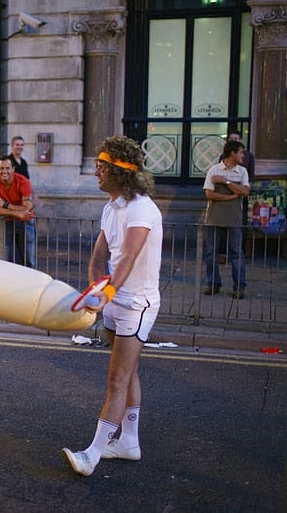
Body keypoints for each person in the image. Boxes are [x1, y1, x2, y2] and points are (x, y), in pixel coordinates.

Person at [62, 134, 163, 477]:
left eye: (101, 167)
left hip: (136, 304)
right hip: (115, 301)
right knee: (128, 372)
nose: (96, 173)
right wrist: (96, 289)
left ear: (121, 171)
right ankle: (129, 443)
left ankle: (93, 453)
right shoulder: (111, 208)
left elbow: (128, 259)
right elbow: (100, 258)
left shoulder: (142, 209)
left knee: (117, 380)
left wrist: (107, 293)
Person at [203, 139, 250, 299]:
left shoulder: (242, 172)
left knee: (237, 253)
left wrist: (226, 181)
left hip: (234, 219)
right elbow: (209, 194)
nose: (243, 155)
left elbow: (245, 191)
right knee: (211, 253)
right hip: (213, 219)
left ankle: (239, 287)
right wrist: (230, 197)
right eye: (241, 152)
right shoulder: (214, 170)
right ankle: (213, 284)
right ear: (232, 153)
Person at [0, 156, 34, 266]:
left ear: (13, 169)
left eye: (7, 168)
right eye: (1, 168)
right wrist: (18, 213)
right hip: (7, 222)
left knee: (28, 259)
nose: (4, 171)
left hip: (26, 222)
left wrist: (4, 204)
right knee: (9, 259)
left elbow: (27, 209)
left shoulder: (23, 181)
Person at [6, 135, 37, 267]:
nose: (19, 147)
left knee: (28, 245)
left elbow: (27, 182)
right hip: (12, 209)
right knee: (12, 249)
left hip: (25, 207)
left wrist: (34, 197)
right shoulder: (7, 162)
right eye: (17, 144)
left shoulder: (23, 162)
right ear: (12, 146)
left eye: (21, 145)